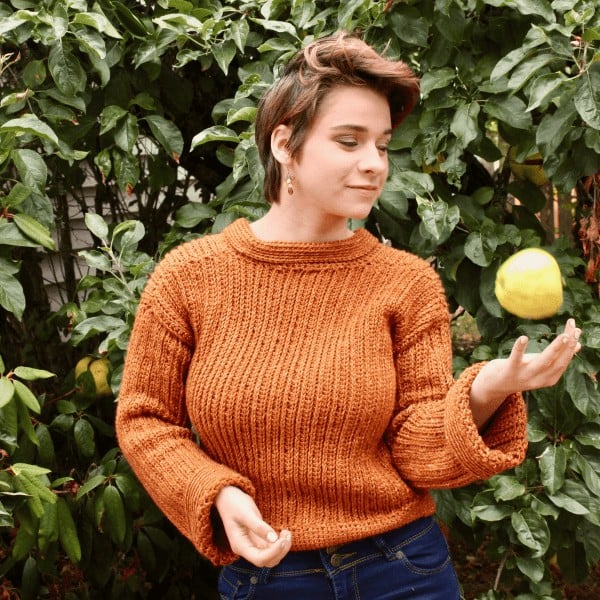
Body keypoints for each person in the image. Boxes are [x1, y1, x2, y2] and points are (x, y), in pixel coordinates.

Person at [115, 31, 582, 599]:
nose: (373, 164)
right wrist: (217, 492)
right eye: (349, 140)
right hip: (268, 578)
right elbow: (145, 419)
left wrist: (488, 389)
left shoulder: (406, 283)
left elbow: (415, 446)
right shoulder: (189, 277)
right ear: (285, 144)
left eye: (382, 145)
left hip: (403, 569)